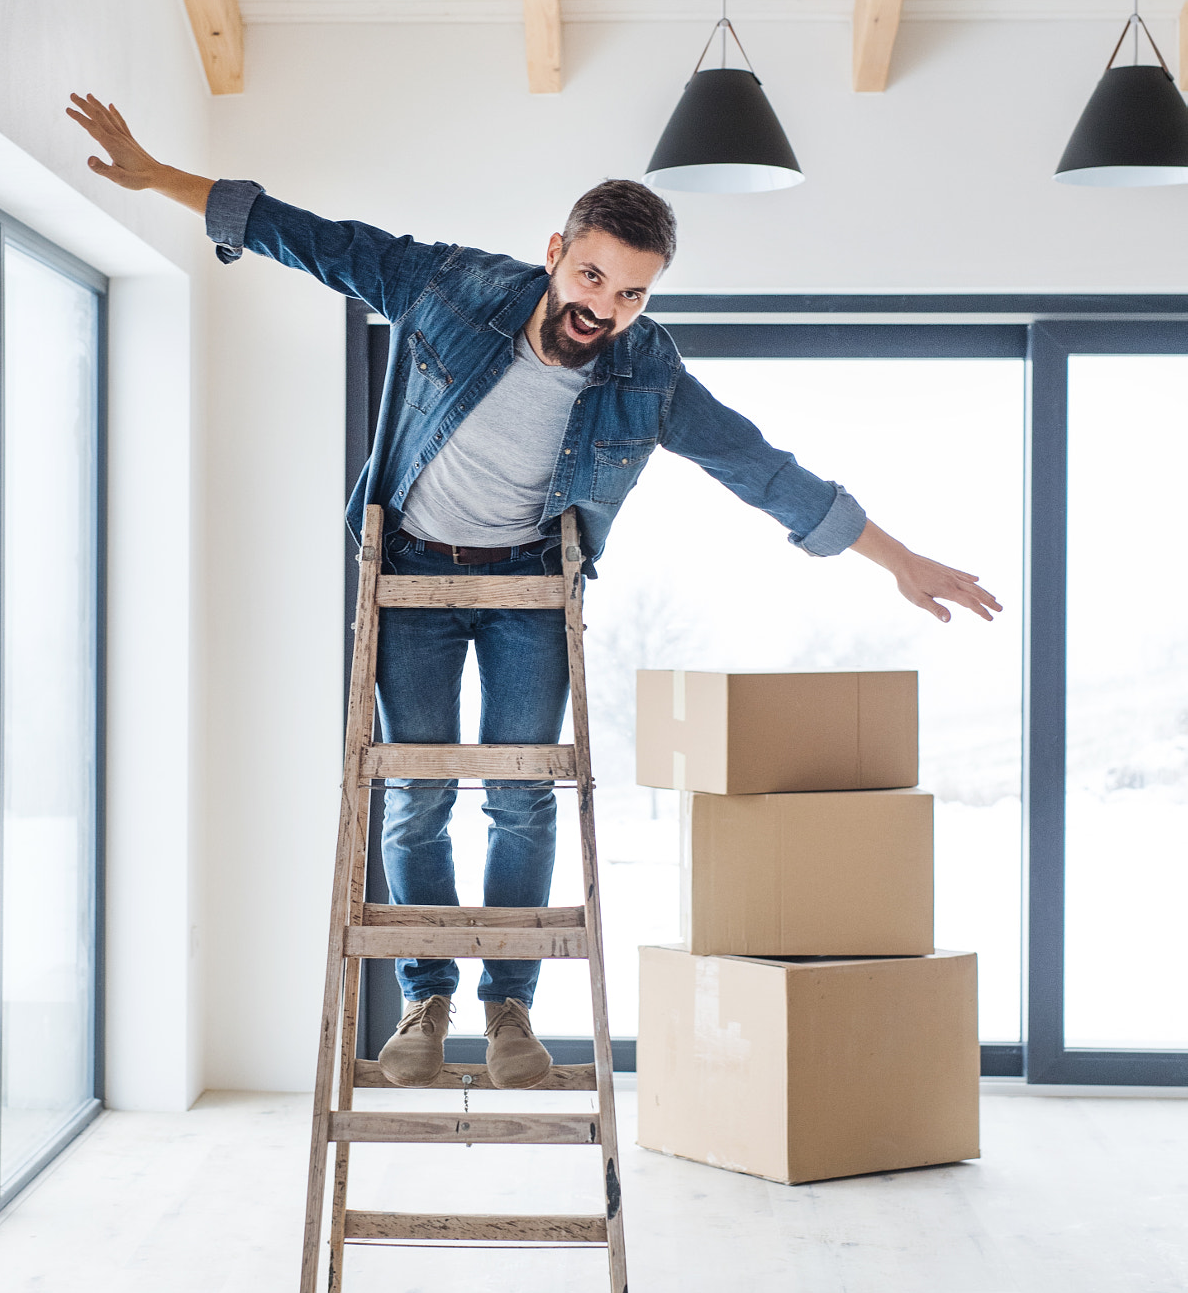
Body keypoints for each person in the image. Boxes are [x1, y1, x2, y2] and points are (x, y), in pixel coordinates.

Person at [67, 92, 1002, 1091]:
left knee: (521, 796)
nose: (603, 308)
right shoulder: (447, 287)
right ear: (557, 248)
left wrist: (896, 557)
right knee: (417, 794)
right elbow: (311, 239)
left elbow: (763, 469)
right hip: (411, 576)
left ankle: (508, 1002)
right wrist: (159, 172)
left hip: (530, 594)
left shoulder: (649, 374)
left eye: (632, 294)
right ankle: (425, 999)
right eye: (593, 275)